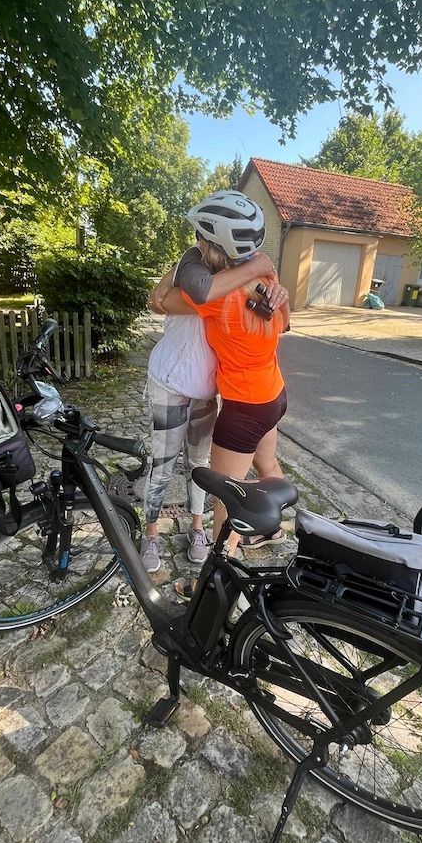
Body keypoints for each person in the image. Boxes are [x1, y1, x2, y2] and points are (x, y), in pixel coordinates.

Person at [140, 191, 277, 572]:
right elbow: (161, 300)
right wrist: (259, 268)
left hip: (207, 388)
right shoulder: (192, 265)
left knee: (200, 463)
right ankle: (150, 533)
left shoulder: (241, 277)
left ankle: (198, 528)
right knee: (163, 463)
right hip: (171, 382)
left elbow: (276, 315)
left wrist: (269, 282)